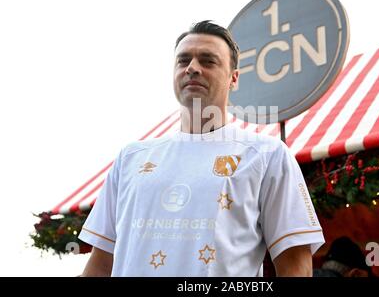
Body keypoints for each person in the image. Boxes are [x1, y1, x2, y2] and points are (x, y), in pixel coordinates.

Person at [78, 20, 324, 277]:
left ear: (234, 78)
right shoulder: (130, 158)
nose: (192, 68)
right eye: (183, 61)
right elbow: (101, 263)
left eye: (208, 61)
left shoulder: (267, 155)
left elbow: (295, 265)